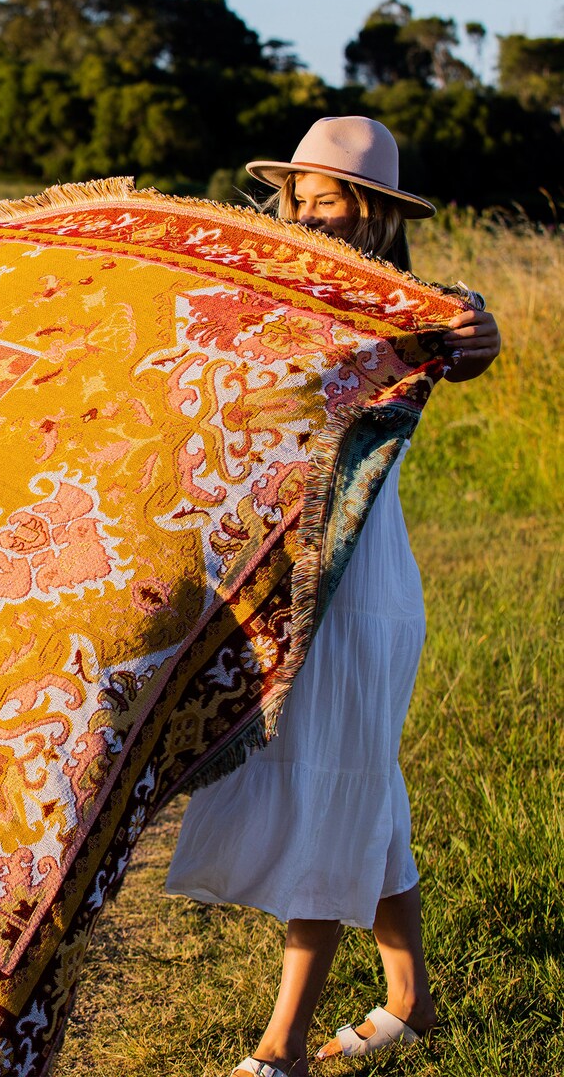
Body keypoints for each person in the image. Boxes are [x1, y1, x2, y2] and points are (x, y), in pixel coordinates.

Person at [164, 117, 502, 1077]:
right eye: (301, 200)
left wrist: (479, 326)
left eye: (333, 204)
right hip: (288, 572)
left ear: (378, 216)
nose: (313, 217)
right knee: (364, 790)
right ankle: (413, 1001)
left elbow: (467, 334)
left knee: (334, 787)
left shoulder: (414, 306)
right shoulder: (271, 294)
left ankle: (284, 1045)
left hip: (362, 587)